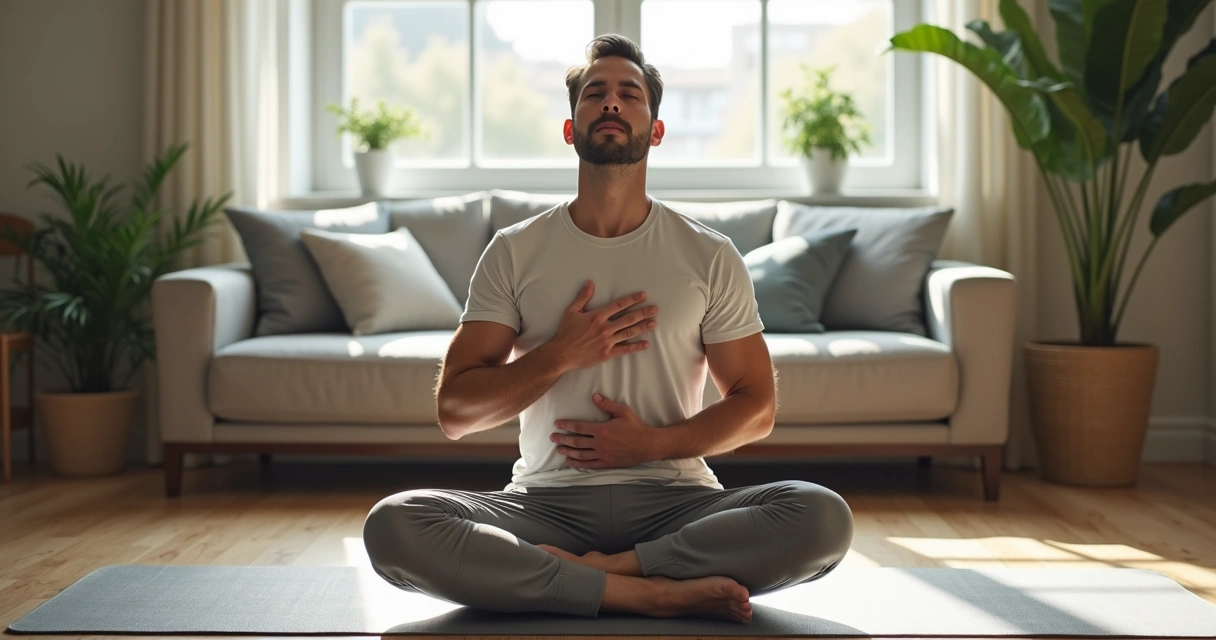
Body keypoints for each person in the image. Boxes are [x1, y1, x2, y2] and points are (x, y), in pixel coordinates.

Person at [363, 34, 853, 624]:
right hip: (545, 504)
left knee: (822, 516)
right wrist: (558, 355)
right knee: (395, 525)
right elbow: (456, 413)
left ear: (657, 129)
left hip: (678, 504)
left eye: (630, 94)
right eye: (596, 93)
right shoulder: (514, 251)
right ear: (571, 129)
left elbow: (757, 408)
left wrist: (654, 444)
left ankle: (604, 572)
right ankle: (646, 591)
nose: (612, 103)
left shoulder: (709, 254)